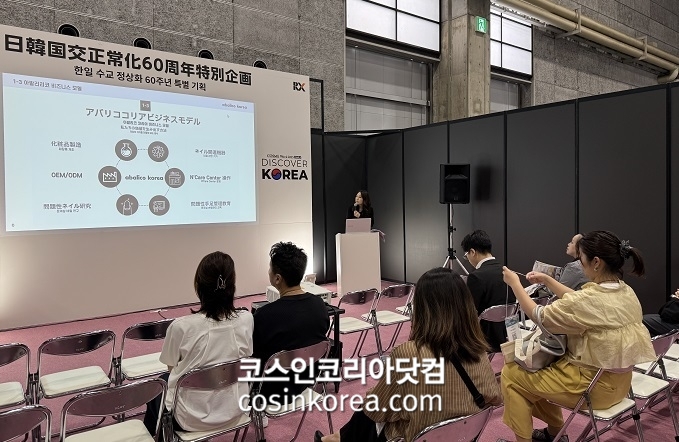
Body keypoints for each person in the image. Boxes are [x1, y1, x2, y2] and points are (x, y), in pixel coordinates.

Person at [499, 231, 655, 442]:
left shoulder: (591, 299)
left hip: (592, 389)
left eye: (582, 260)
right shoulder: (625, 291)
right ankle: (555, 434)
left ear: (596, 262)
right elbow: (581, 301)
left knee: (511, 374)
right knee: (537, 370)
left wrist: (515, 285)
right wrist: (548, 280)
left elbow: (539, 315)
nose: (580, 265)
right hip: (621, 385)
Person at [315, 267, 502, 442]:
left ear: (422, 308)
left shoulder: (409, 354)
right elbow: (494, 398)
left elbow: (377, 409)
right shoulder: (479, 351)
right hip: (464, 435)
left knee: (368, 411)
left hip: (413, 436)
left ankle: (337, 438)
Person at [143, 252, 253, 435]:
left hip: (189, 419)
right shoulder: (247, 319)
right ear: (232, 285)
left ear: (198, 285)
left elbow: (172, 368)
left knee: (157, 386)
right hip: (236, 409)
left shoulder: (181, 327)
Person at [252, 241, 329, 400]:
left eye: (270, 269)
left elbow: (254, 355)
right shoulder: (320, 305)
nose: (268, 272)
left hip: (271, 392)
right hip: (306, 384)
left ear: (277, 279)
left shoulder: (264, 315)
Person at [461, 229, 515, 352]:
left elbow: (470, 312)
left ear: (472, 252)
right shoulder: (507, 272)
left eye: (466, 255)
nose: (467, 258)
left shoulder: (476, 276)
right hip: (508, 334)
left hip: (486, 337)